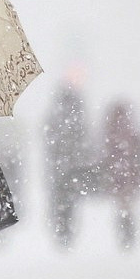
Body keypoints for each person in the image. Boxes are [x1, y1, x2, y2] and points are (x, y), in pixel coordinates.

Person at [99, 100, 140, 251]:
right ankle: (128, 236)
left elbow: (105, 154)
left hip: (117, 175)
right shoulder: (131, 131)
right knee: (127, 207)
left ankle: (125, 236)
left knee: (123, 207)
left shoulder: (110, 131)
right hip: (129, 174)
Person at [45, 82, 91, 248]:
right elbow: (83, 138)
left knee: (61, 199)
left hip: (60, 168)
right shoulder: (74, 117)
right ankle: (64, 230)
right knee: (68, 199)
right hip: (69, 167)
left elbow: (48, 137)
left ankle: (62, 229)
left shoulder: (56, 117)